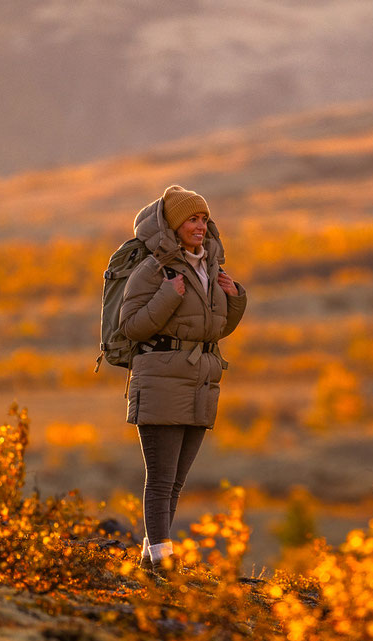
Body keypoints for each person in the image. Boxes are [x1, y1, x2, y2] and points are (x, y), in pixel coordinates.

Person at [118, 185, 247, 571]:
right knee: (159, 480)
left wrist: (235, 296)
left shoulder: (211, 268)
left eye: (204, 219)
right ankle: (161, 559)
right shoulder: (153, 269)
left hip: (199, 382)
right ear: (174, 225)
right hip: (160, 379)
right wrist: (167, 296)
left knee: (175, 483)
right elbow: (132, 326)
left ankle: (151, 556)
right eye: (192, 219)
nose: (200, 226)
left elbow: (215, 331)